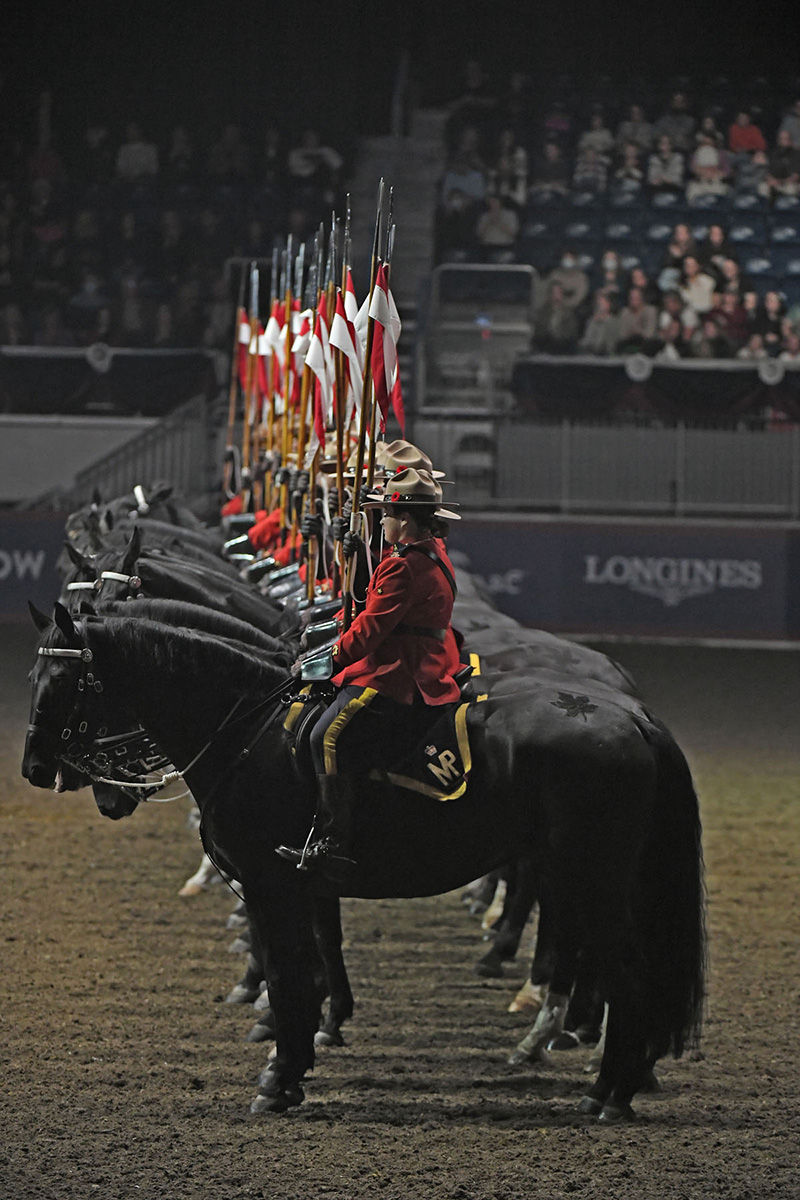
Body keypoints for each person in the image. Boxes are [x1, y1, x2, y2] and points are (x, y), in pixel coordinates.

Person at [276, 468, 463, 876]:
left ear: (406, 520)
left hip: (404, 671)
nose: (384, 523)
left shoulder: (405, 565)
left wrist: (328, 660)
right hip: (401, 657)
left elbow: (370, 630)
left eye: (388, 517)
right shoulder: (422, 553)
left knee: (329, 736)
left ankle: (333, 840)